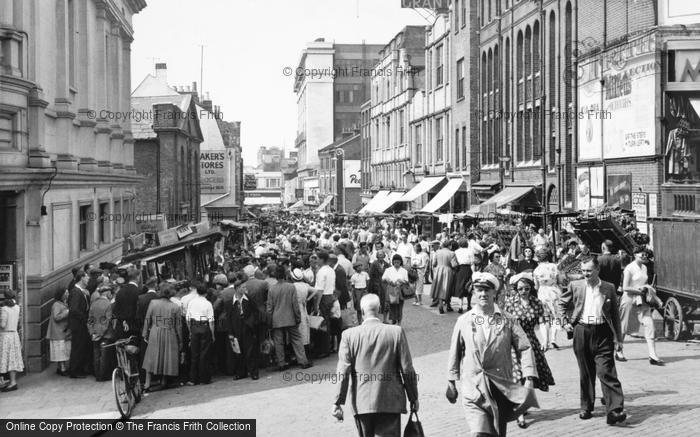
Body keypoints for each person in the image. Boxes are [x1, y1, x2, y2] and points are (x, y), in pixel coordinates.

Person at [446, 272, 539, 437]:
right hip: (473, 388)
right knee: (479, 433)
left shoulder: (508, 320)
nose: (483, 294)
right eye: (479, 290)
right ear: (474, 292)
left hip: (500, 387)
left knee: (497, 433)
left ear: (494, 292)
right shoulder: (464, 320)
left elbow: (524, 348)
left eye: (487, 290)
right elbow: (455, 351)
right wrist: (451, 381)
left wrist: (529, 378)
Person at [333, 293, 419, 437]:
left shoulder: (349, 335)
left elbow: (343, 371)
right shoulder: (395, 332)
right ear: (379, 309)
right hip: (390, 401)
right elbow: (407, 369)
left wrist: (337, 402)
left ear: (361, 311)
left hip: (362, 402)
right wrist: (413, 397)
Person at [558, 257, 627, 425]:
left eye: (589, 270)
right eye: (583, 271)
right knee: (586, 372)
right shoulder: (576, 286)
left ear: (597, 270)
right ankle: (586, 407)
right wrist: (564, 322)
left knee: (607, 371)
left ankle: (614, 410)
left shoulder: (608, 288)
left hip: (603, 332)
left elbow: (616, 317)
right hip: (582, 330)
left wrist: (618, 339)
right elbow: (561, 304)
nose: (585, 274)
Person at [503, 273, 556, 429]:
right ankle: (520, 414)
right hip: (513, 343)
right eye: (520, 289)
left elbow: (542, 322)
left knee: (529, 376)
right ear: (516, 290)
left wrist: (545, 340)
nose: (523, 291)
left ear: (531, 289)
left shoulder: (536, 303)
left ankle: (523, 405)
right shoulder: (510, 303)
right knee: (517, 376)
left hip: (530, 342)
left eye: (526, 288)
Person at [618, 246, 664, 365]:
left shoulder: (644, 267)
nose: (644, 256)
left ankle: (653, 355)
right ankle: (619, 350)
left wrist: (648, 289)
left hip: (642, 300)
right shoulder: (629, 268)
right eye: (641, 254)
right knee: (623, 327)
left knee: (650, 325)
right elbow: (625, 288)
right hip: (629, 300)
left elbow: (644, 282)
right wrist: (639, 291)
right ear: (635, 255)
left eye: (645, 255)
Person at [266, 265, 312, 371]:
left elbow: (269, 308)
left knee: (278, 342)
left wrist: (269, 321)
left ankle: (281, 363)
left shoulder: (272, 289)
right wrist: (297, 317)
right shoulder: (291, 287)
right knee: (296, 339)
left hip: (276, 319)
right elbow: (295, 305)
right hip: (290, 317)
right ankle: (303, 361)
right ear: (285, 275)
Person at [142, 283, 182, 391]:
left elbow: (147, 319)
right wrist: (180, 340)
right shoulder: (176, 307)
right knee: (166, 356)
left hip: (155, 331)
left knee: (151, 356)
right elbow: (178, 326)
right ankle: (164, 381)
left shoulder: (153, 303)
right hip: (170, 333)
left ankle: (147, 382)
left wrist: (145, 333)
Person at [533, 248, 563, 349]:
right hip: (554, 291)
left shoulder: (536, 270)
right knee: (555, 316)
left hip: (542, 293)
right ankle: (553, 339)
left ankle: (545, 341)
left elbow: (536, 286)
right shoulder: (554, 266)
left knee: (544, 318)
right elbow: (559, 281)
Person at [186, 281, 215, 385]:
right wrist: (212, 334)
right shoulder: (208, 303)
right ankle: (204, 378)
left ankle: (193, 379)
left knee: (194, 354)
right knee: (204, 354)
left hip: (194, 326)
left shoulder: (192, 302)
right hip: (204, 327)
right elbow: (211, 321)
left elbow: (188, 318)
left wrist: (190, 330)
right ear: (206, 292)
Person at [87, 284, 115, 381]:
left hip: (94, 334)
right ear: (107, 293)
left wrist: (92, 332)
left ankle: (97, 374)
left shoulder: (93, 303)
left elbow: (90, 320)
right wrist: (101, 333)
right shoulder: (108, 304)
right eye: (110, 293)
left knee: (96, 354)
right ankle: (103, 376)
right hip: (105, 334)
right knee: (104, 356)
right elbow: (107, 320)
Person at [290, 268, 320, 355]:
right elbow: (316, 291)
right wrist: (308, 299)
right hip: (303, 307)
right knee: (305, 329)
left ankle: (298, 353)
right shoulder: (305, 285)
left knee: (297, 330)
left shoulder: (293, 286)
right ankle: (306, 351)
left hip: (295, 307)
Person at [68, 270, 91, 378]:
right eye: (87, 277)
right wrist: (84, 318)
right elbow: (74, 309)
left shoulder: (82, 291)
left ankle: (81, 368)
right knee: (77, 347)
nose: (88, 279)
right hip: (78, 324)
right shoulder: (76, 292)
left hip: (81, 323)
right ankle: (75, 370)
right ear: (81, 278)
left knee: (82, 346)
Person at [0, 289, 25, 392]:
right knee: (12, 359)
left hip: (5, 336)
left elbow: (2, 325)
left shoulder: (4, 309)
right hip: (14, 335)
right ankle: (13, 381)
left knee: (5, 358)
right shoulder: (17, 307)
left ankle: (7, 381)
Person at [315, 252, 337, 358]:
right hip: (330, 296)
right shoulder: (331, 270)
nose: (316, 261)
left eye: (317, 258)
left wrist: (316, 304)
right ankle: (328, 346)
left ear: (321, 260)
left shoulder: (321, 271)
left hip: (324, 297)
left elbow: (319, 290)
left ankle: (324, 349)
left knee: (322, 324)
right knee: (328, 323)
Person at [47, 288, 71, 376]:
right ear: (62, 294)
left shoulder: (64, 303)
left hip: (63, 330)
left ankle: (61, 367)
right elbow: (56, 317)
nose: (68, 294)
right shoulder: (56, 305)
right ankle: (62, 368)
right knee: (60, 350)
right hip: (58, 331)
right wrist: (67, 312)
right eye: (66, 292)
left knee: (63, 350)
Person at [113, 267, 141, 339]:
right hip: (135, 327)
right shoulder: (138, 292)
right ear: (138, 277)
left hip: (121, 326)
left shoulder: (120, 291)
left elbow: (116, 309)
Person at [382, 254, 409, 325]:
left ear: (401, 262)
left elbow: (406, 280)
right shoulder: (388, 270)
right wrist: (389, 280)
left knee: (400, 306)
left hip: (400, 290)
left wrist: (401, 280)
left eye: (398, 262)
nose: (396, 264)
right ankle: (393, 319)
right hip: (391, 289)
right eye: (395, 262)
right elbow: (383, 278)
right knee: (392, 305)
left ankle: (399, 321)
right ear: (393, 262)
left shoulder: (404, 271)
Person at [432, 240, 458, 314]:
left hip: (438, 270)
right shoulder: (451, 253)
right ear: (449, 245)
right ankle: (448, 305)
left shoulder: (437, 252)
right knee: (448, 288)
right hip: (448, 271)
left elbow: (434, 264)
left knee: (440, 288)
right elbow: (454, 265)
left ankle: (440, 305)